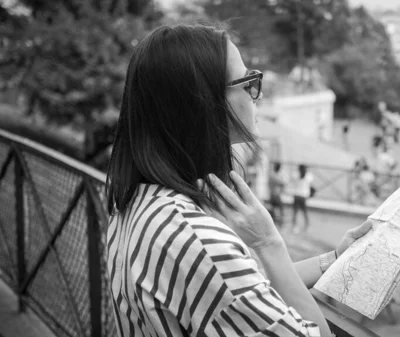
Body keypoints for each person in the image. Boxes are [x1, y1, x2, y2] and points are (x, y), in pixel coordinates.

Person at [105, 24, 374, 337]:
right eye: (248, 82)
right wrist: (268, 242)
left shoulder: (137, 202)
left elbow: (248, 287)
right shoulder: (196, 239)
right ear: (203, 103)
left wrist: (336, 259)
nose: (256, 94)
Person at [291, 164, 313, 233]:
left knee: (295, 212)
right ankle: (307, 225)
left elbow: (292, 177)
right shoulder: (308, 176)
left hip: (296, 195)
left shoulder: (296, 175)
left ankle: (295, 226)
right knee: (304, 212)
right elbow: (311, 182)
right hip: (303, 196)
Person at [268, 162, 287, 227]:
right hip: (276, 195)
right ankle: (281, 222)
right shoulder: (276, 176)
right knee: (281, 208)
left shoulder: (272, 174)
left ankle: (274, 222)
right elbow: (283, 183)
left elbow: (269, 183)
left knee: (273, 208)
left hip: (272, 194)